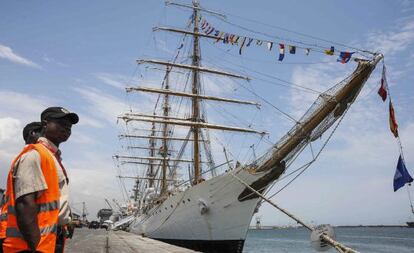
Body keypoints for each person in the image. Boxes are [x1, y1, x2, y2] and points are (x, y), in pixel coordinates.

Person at [3, 107, 78, 253]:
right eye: (61, 123)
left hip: (48, 241)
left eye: (69, 125)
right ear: (45, 124)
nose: (67, 127)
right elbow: (25, 203)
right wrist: (34, 245)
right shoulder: (35, 154)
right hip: (30, 246)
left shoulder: (51, 157)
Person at [0, 122, 44, 252]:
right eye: (43, 134)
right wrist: (35, 245)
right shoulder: (30, 157)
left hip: (11, 233)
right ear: (33, 134)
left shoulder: (27, 157)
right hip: (18, 238)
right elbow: (25, 203)